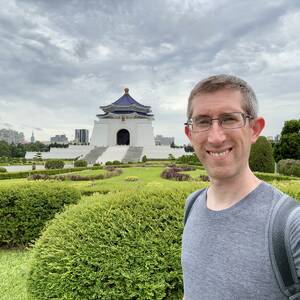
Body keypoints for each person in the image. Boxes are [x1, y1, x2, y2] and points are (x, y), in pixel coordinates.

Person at [181, 74, 300, 299]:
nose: (216, 137)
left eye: (229, 119)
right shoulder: (193, 205)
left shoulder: (290, 225)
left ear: (254, 129)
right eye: (203, 121)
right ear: (190, 133)